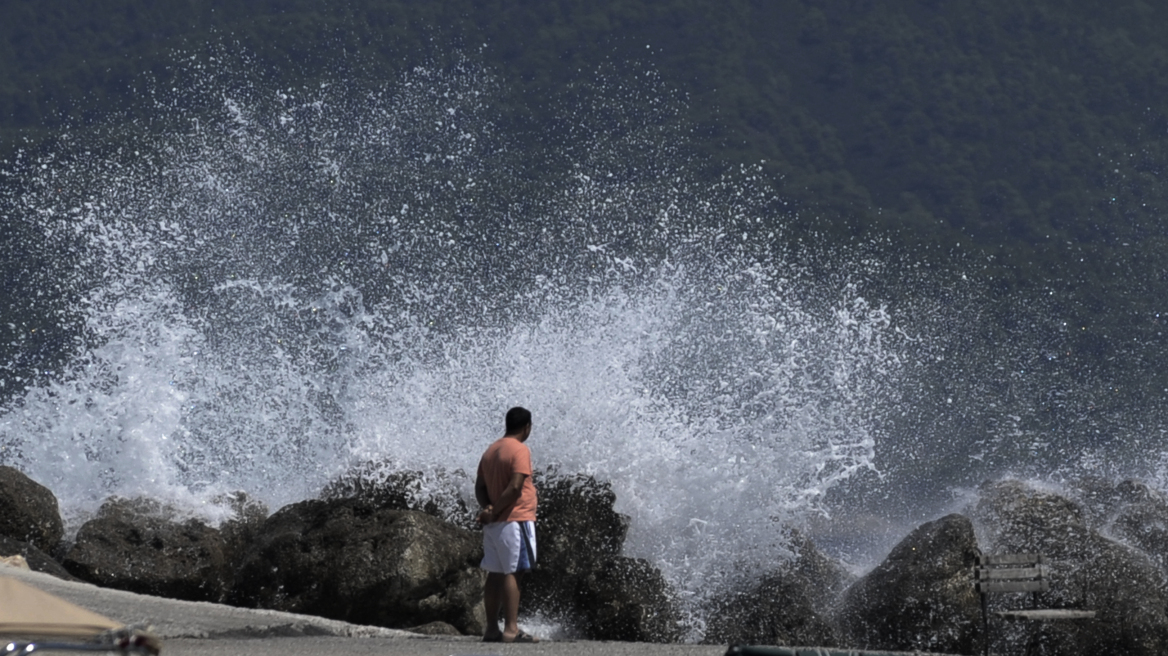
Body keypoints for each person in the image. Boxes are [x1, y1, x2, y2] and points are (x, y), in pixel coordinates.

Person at [475, 406, 540, 643]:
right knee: (515, 572)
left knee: (495, 573)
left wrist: (488, 509)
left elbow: (479, 487)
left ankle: (492, 629)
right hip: (516, 520)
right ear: (527, 427)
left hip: (494, 525)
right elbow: (514, 487)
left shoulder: (491, 450)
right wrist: (497, 511)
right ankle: (511, 629)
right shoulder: (520, 449)